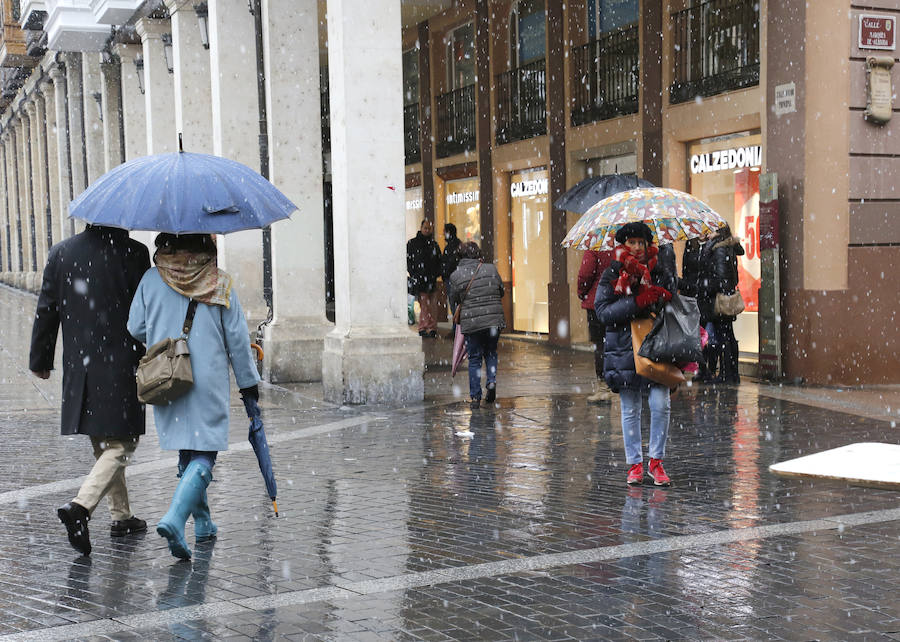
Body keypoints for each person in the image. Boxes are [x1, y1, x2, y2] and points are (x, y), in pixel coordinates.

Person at [127, 233, 260, 560]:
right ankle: (175, 518)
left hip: (168, 376)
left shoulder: (151, 278)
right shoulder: (220, 284)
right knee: (204, 454)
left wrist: (163, 327)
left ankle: (203, 522)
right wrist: (248, 383)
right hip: (207, 379)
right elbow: (238, 341)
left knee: (188, 448)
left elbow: (135, 327)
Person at [29, 224, 150, 556]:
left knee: (105, 441)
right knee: (123, 442)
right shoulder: (135, 253)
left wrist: (40, 357)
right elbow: (145, 309)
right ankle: (80, 507)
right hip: (122, 360)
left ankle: (122, 516)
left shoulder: (62, 252)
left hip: (80, 364)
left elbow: (47, 308)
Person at [595, 222, 675, 487]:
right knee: (630, 409)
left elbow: (673, 301)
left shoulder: (660, 269)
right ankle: (635, 464)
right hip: (624, 349)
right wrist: (637, 301)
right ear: (623, 245)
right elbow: (603, 311)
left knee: (660, 404)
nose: (638, 248)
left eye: (642, 242)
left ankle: (656, 461)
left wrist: (662, 295)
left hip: (656, 346)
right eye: (632, 243)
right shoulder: (612, 273)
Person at [449, 242, 505, 409]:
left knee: (474, 358)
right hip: (494, 320)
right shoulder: (491, 269)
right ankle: (491, 381)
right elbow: (500, 290)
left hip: (472, 322)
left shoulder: (456, 275)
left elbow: (454, 300)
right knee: (491, 352)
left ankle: (475, 396)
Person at [698, 223, 745, 384]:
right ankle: (731, 374)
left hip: (720, 300)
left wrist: (705, 285)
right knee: (728, 336)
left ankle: (727, 374)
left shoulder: (719, 249)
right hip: (726, 298)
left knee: (724, 337)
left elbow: (721, 278)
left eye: (709, 229)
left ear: (717, 231)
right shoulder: (727, 246)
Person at [577, 248, 615, 403]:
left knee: (600, 344)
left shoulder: (596, 246)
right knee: (617, 343)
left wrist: (582, 292)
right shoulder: (623, 244)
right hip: (619, 300)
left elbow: (585, 274)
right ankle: (620, 384)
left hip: (596, 302)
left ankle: (603, 388)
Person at [406, 219, 442, 337]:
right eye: (425, 228)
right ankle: (427, 327)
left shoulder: (432, 244)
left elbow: (438, 261)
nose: (427, 230)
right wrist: (414, 274)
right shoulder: (416, 244)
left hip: (428, 279)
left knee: (429, 305)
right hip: (423, 279)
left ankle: (427, 327)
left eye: (429, 228)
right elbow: (409, 261)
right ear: (421, 228)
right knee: (426, 305)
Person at [441, 223, 463, 332]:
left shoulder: (451, 247)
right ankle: (457, 329)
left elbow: (449, 263)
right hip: (456, 278)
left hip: (452, 279)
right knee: (456, 303)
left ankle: (456, 329)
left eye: (444, 232)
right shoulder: (458, 245)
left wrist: (445, 273)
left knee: (454, 303)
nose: (443, 234)